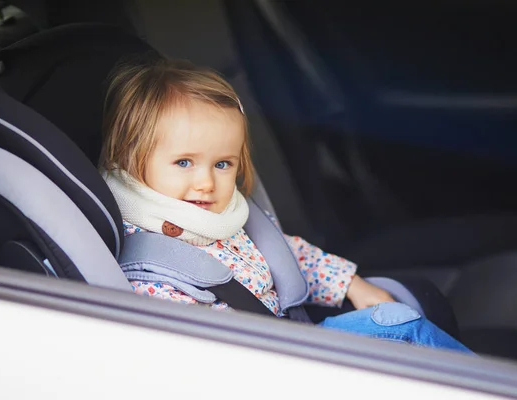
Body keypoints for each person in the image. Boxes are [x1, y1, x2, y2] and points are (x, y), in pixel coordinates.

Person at [99, 56, 472, 354]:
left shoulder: (220, 219)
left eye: (223, 164)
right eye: (184, 162)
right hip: (272, 365)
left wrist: (351, 285)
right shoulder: (150, 269)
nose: (206, 182)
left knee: (398, 320)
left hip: (295, 336)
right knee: (402, 330)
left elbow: (287, 253)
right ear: (132, 159)